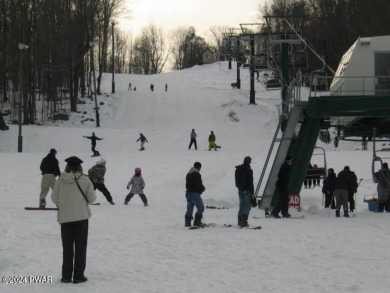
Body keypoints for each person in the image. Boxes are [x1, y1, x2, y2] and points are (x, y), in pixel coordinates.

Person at [51, 156, 96, 284]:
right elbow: (92, 199)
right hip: (81, 217)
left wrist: (64, 204)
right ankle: (78, 276)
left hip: (65, 219)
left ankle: (66, 276)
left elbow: (54, 198)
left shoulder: (60, 180)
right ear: (80, 167)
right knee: (81, 247)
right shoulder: (85, 179)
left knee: (67, 248)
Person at [235, 156, 255, 227]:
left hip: (240, 190)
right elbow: (250, 182)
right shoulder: (249, 170)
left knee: (242, 205)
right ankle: (244, 221)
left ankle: (239, 221)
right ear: (249, 161)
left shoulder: (238, 169)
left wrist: (239, 187)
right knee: (247, 205)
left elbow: (236, 180)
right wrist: (252, 192)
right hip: (247, 190)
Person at [185, 162, 206, 227]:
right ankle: (197, 222)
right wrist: (203, 188)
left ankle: (187, 223)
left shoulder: (188, 173)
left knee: (190, 208)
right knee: (201, 208)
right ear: (199, 167)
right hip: (194, 193)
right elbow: (198, 184)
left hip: (188, 193)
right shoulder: (196, 174)